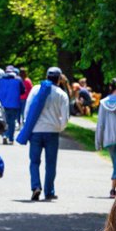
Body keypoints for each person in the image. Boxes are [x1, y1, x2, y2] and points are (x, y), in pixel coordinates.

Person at [20, 67, 69, 201]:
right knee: (51, 163)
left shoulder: (36, 89)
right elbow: (65, 117)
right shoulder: (61, 94)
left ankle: (36, 186)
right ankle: (49, 191)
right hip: (52, 131)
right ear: (59, 79)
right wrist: (60, 127)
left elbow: (28, 109)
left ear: (47, 76)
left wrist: (27, 125)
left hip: (35, 131)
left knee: (34, 161)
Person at [0, 65, 23, 145]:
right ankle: (11, 138)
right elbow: (23, 91)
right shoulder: (18, 80)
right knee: (12, 122)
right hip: (14, 104)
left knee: (4, 121)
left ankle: (4, 135)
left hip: (2, 104)